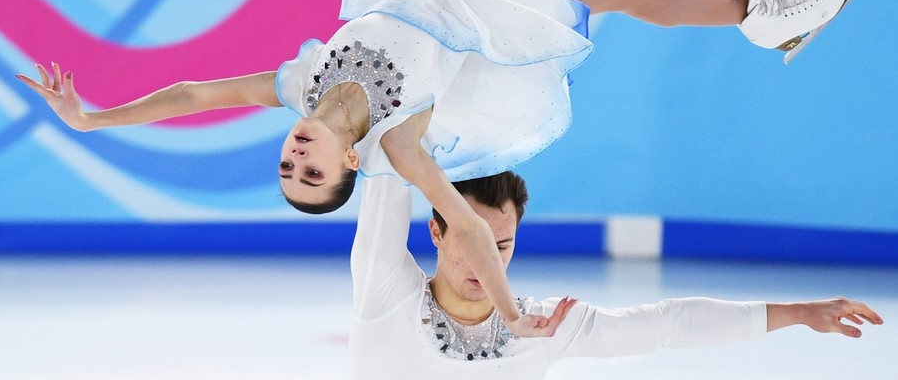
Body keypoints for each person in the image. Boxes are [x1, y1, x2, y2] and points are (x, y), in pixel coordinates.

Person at [17, 0, 867, 337]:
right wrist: (509, 311)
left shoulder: (302, 83)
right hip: (451, 14)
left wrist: (94, 119)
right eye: (315, 176)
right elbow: (460, 217)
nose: (299, 157)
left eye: (286, 167)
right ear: (352, 167)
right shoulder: (397, 137)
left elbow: (197, 95)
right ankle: (761, 16)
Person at [348, 173, 883, 378]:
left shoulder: (545, 325)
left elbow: (667, 324)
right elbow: (389, 166)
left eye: (502, 245)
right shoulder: (385, 291)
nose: (486, 263)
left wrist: (797, 313)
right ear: (437, 233)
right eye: (469, 241)